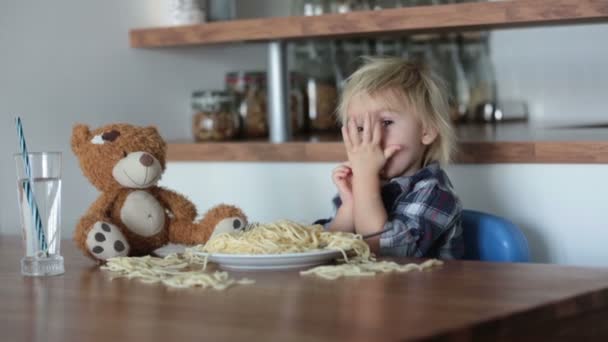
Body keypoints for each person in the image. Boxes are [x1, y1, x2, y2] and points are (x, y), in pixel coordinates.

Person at [318, 57, 464, 259]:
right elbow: (327, 248)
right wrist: (350, 205)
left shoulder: (436, 194)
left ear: (427, 130)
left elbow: (377, 248)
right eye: (361, 128)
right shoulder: (360, 184)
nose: (372, 138)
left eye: (386, 122)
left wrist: (365, 180)